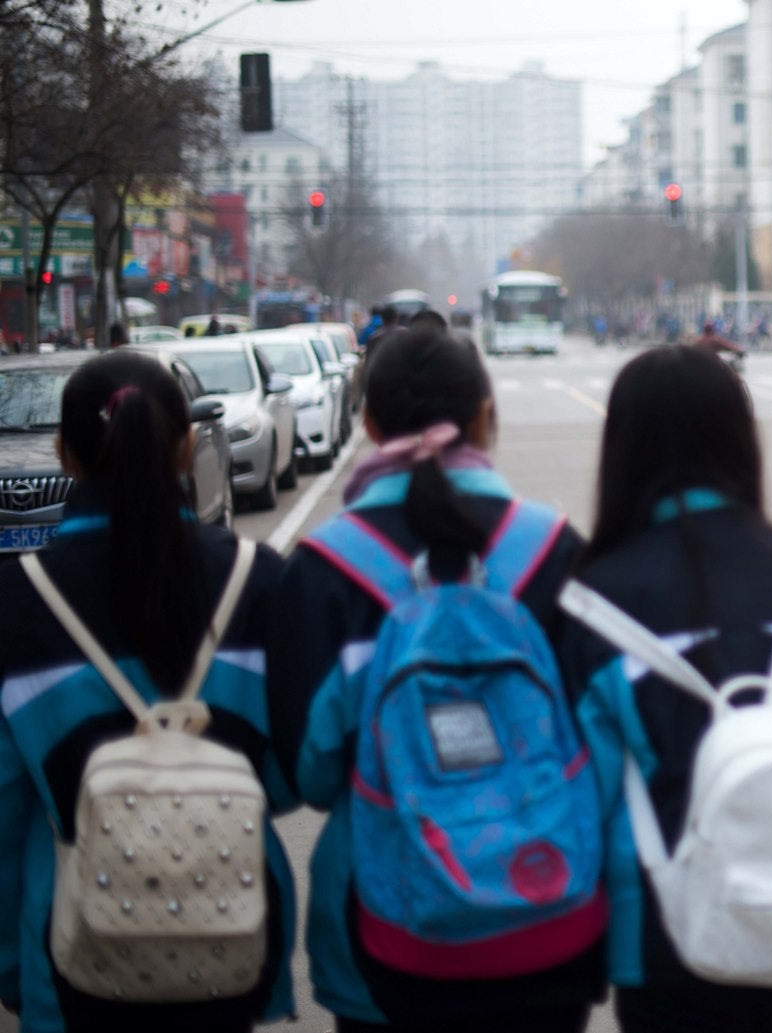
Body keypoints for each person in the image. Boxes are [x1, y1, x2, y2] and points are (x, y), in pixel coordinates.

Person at [269, 327, 604, 1032]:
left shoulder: (320, 569)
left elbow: (311, 775)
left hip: (385, 929)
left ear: (366, 422)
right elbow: (599, 744)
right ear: (487, 413)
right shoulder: (553, 549)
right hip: (546, 921)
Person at [562, 345, 772, 1033]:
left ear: (621, 449)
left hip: (662, 932)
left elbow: (579, 803)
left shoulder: (594, 602)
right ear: (739, 439)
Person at [0, 350, 295, 1032]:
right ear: (188, 447)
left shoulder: (17, 604)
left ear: (64, 453)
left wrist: (14, 968)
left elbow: (6, 815)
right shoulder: (259, 578)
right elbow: (292, 769)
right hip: (231, 937)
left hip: (71, 952)